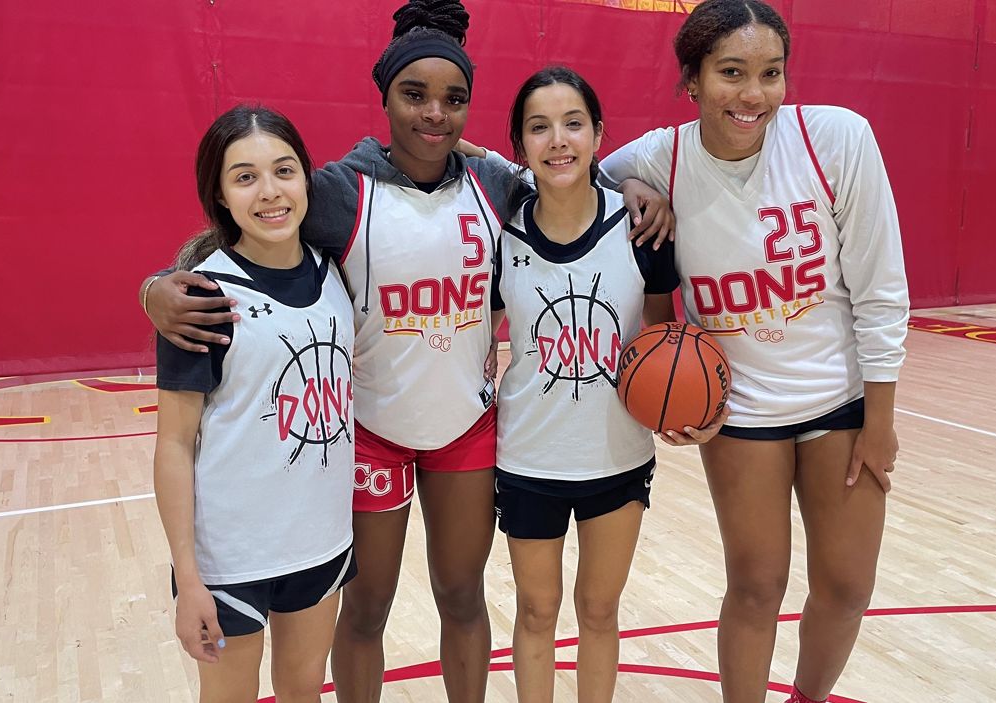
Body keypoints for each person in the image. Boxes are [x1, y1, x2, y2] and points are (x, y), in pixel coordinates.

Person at [140, 3, 672, 701]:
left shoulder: (493, 187)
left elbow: (565, 180)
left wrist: (630, 184)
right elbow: (254, 229)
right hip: (374, 433)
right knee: (366, 607)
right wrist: (158, 286)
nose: (434, 113)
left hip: (465, 428)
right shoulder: (340, 192)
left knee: (462, 595)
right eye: (414, 95)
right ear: (385, 97)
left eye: (453, 98)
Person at [598, 2, 910, 701]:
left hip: (842, 400)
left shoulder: (836, 139)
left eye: (771, 73)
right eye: (732, 73)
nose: (753, 94)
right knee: (756, 584)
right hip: (739, 410)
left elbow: (881, 290)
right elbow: (558, 173)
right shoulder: (660, 156)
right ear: (692, 79)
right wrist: (629, 185)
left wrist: (881, 421)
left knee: (848, 586)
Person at [487, 66, 709, 703]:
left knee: (599, 610)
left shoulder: (643, 230)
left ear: (598, 133)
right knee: (535, 612)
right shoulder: (500, 235)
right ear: (520, 145)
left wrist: (687, 409)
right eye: (539, 127)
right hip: (528, 457)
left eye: (573, 123)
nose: (558, 140)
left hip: (617, 456)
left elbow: (663, 345)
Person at [153, 104, 357, 703]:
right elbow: (173, 444)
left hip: (320, 540)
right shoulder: (202, 297)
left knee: (304, 690)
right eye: (245, 177)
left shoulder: (335, 271)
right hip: (231, 557)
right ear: (219, 194)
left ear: (306, 179)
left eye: (283, 171)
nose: (269, 192)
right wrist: (188, 577)